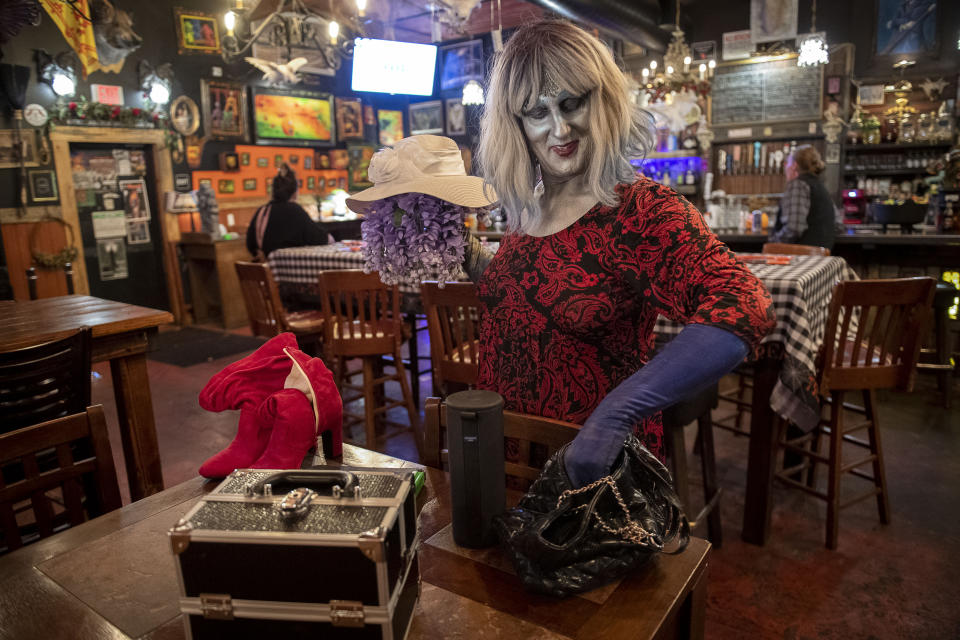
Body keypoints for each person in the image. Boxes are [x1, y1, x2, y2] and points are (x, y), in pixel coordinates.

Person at [467, 20, 775, 488]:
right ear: (517, 125)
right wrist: (467, 255)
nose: (559, 127)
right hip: (508, 459)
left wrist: (619, 411)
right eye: (536, 112)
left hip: (593, 480)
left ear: (603, 100)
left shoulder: (640, 209)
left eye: (572, 103)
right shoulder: (528, 207)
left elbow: (742, 303)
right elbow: (535, 293)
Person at [246, 164, 329, 259]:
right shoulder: (296, 210)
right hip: (294, 271)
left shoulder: (263, 211)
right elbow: (319, 238)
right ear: (295, 192)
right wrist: (330, 237)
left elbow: (250, 245)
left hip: (267, 271)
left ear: (273, 191)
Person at [768, 145, 836, 251]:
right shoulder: (821, 186)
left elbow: (793, 228)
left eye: (788, 163)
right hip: (822, 259)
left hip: (800, 258)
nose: (785, 166)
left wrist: (773, 240)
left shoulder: (798, 185)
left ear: (794, 165)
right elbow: (839, 224)